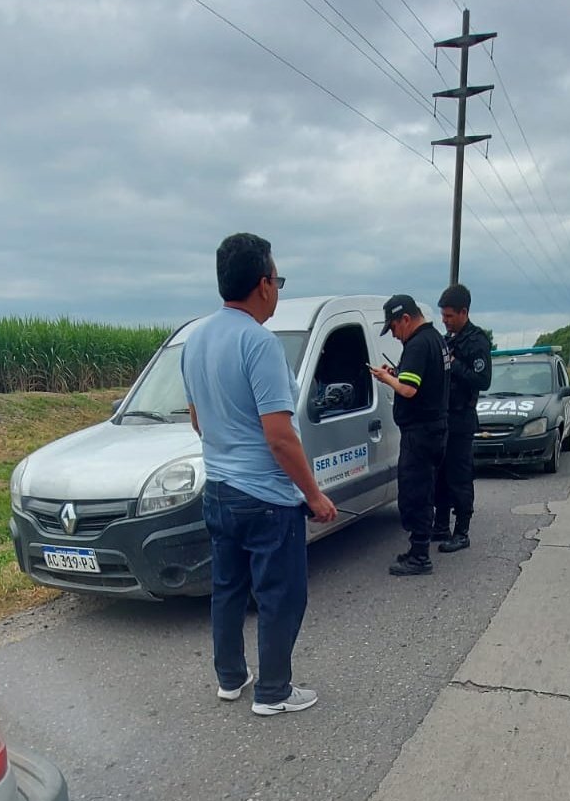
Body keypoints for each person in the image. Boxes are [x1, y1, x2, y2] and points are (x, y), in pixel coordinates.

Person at [180, 233, 337, 717]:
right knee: (280, 595)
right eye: (279, 279)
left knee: (227, 588)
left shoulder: (195, 338)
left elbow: (197, 419)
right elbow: (280, 437)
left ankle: (231, 678)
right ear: (264, 284)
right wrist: (314, 496)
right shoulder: (259, 343)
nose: (278, 290)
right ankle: (274, 692)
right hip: (267, 499)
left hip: (220, 492)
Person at [369, 294, 450, 576]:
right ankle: (418, 548)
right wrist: (399, 372)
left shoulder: (417, 344)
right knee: (424, 488)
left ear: (405, 319)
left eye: (393, 328)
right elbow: (420, 379)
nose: (393, 334)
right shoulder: (436, 339)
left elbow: (409, 390)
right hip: (435, 428)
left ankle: (420, 556)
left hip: (420, 433)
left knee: (416, 492)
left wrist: (386, 378)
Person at [432, 284, 492, 552]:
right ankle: (441, 525)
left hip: (462, 418)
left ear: (464, 312)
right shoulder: (448, 340)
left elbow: (483, 379)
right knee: (440, 475)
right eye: (443, 316)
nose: (445, 321)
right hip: (444, 418)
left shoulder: (476, 341)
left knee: (459, 475)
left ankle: (462, 531)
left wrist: (455, 365)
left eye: (449, 316)